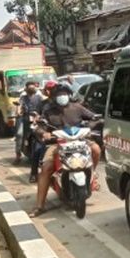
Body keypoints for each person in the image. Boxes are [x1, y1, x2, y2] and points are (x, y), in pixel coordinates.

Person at [29, 84, 101, 217]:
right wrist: (44, 133)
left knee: (96, 149)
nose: (62, 97)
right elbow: (40, 125)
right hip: (57, 144)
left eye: (64, 94)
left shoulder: (78, 108)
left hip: (80, 141)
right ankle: (39, 206)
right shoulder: (48, 110)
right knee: (46, 168)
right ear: (54, 97)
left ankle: (93, 175)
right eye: (58, 95)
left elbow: (93, 118)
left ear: (69, 95)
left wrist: (92, 126)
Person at [15, 81, 44, 166]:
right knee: (19, 134)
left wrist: (39, 116)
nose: (31, 89)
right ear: (26, 89)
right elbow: (19, 107)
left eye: (33, 87)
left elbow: (44, 107)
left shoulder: (39, 97)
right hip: (25, 118)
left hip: (37, 119)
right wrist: (19, 111)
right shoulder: (23, 98)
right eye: (29, 88)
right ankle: (18, 155)